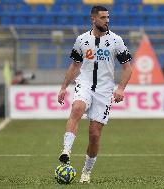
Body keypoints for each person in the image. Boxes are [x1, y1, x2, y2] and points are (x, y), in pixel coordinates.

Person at [57, 5, 132, 183]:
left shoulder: (116, 40)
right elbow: (75, 66)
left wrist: (120, 88)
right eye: (103, 17)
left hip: (105, 91)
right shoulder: (81, 40)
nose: (107, 20)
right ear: (93, 19)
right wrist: (63, 87)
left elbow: (128, 68)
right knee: (77, 108)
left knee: (94, 134)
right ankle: (66, 151)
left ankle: (86, 172)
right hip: (85, 84)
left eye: (108, 17)